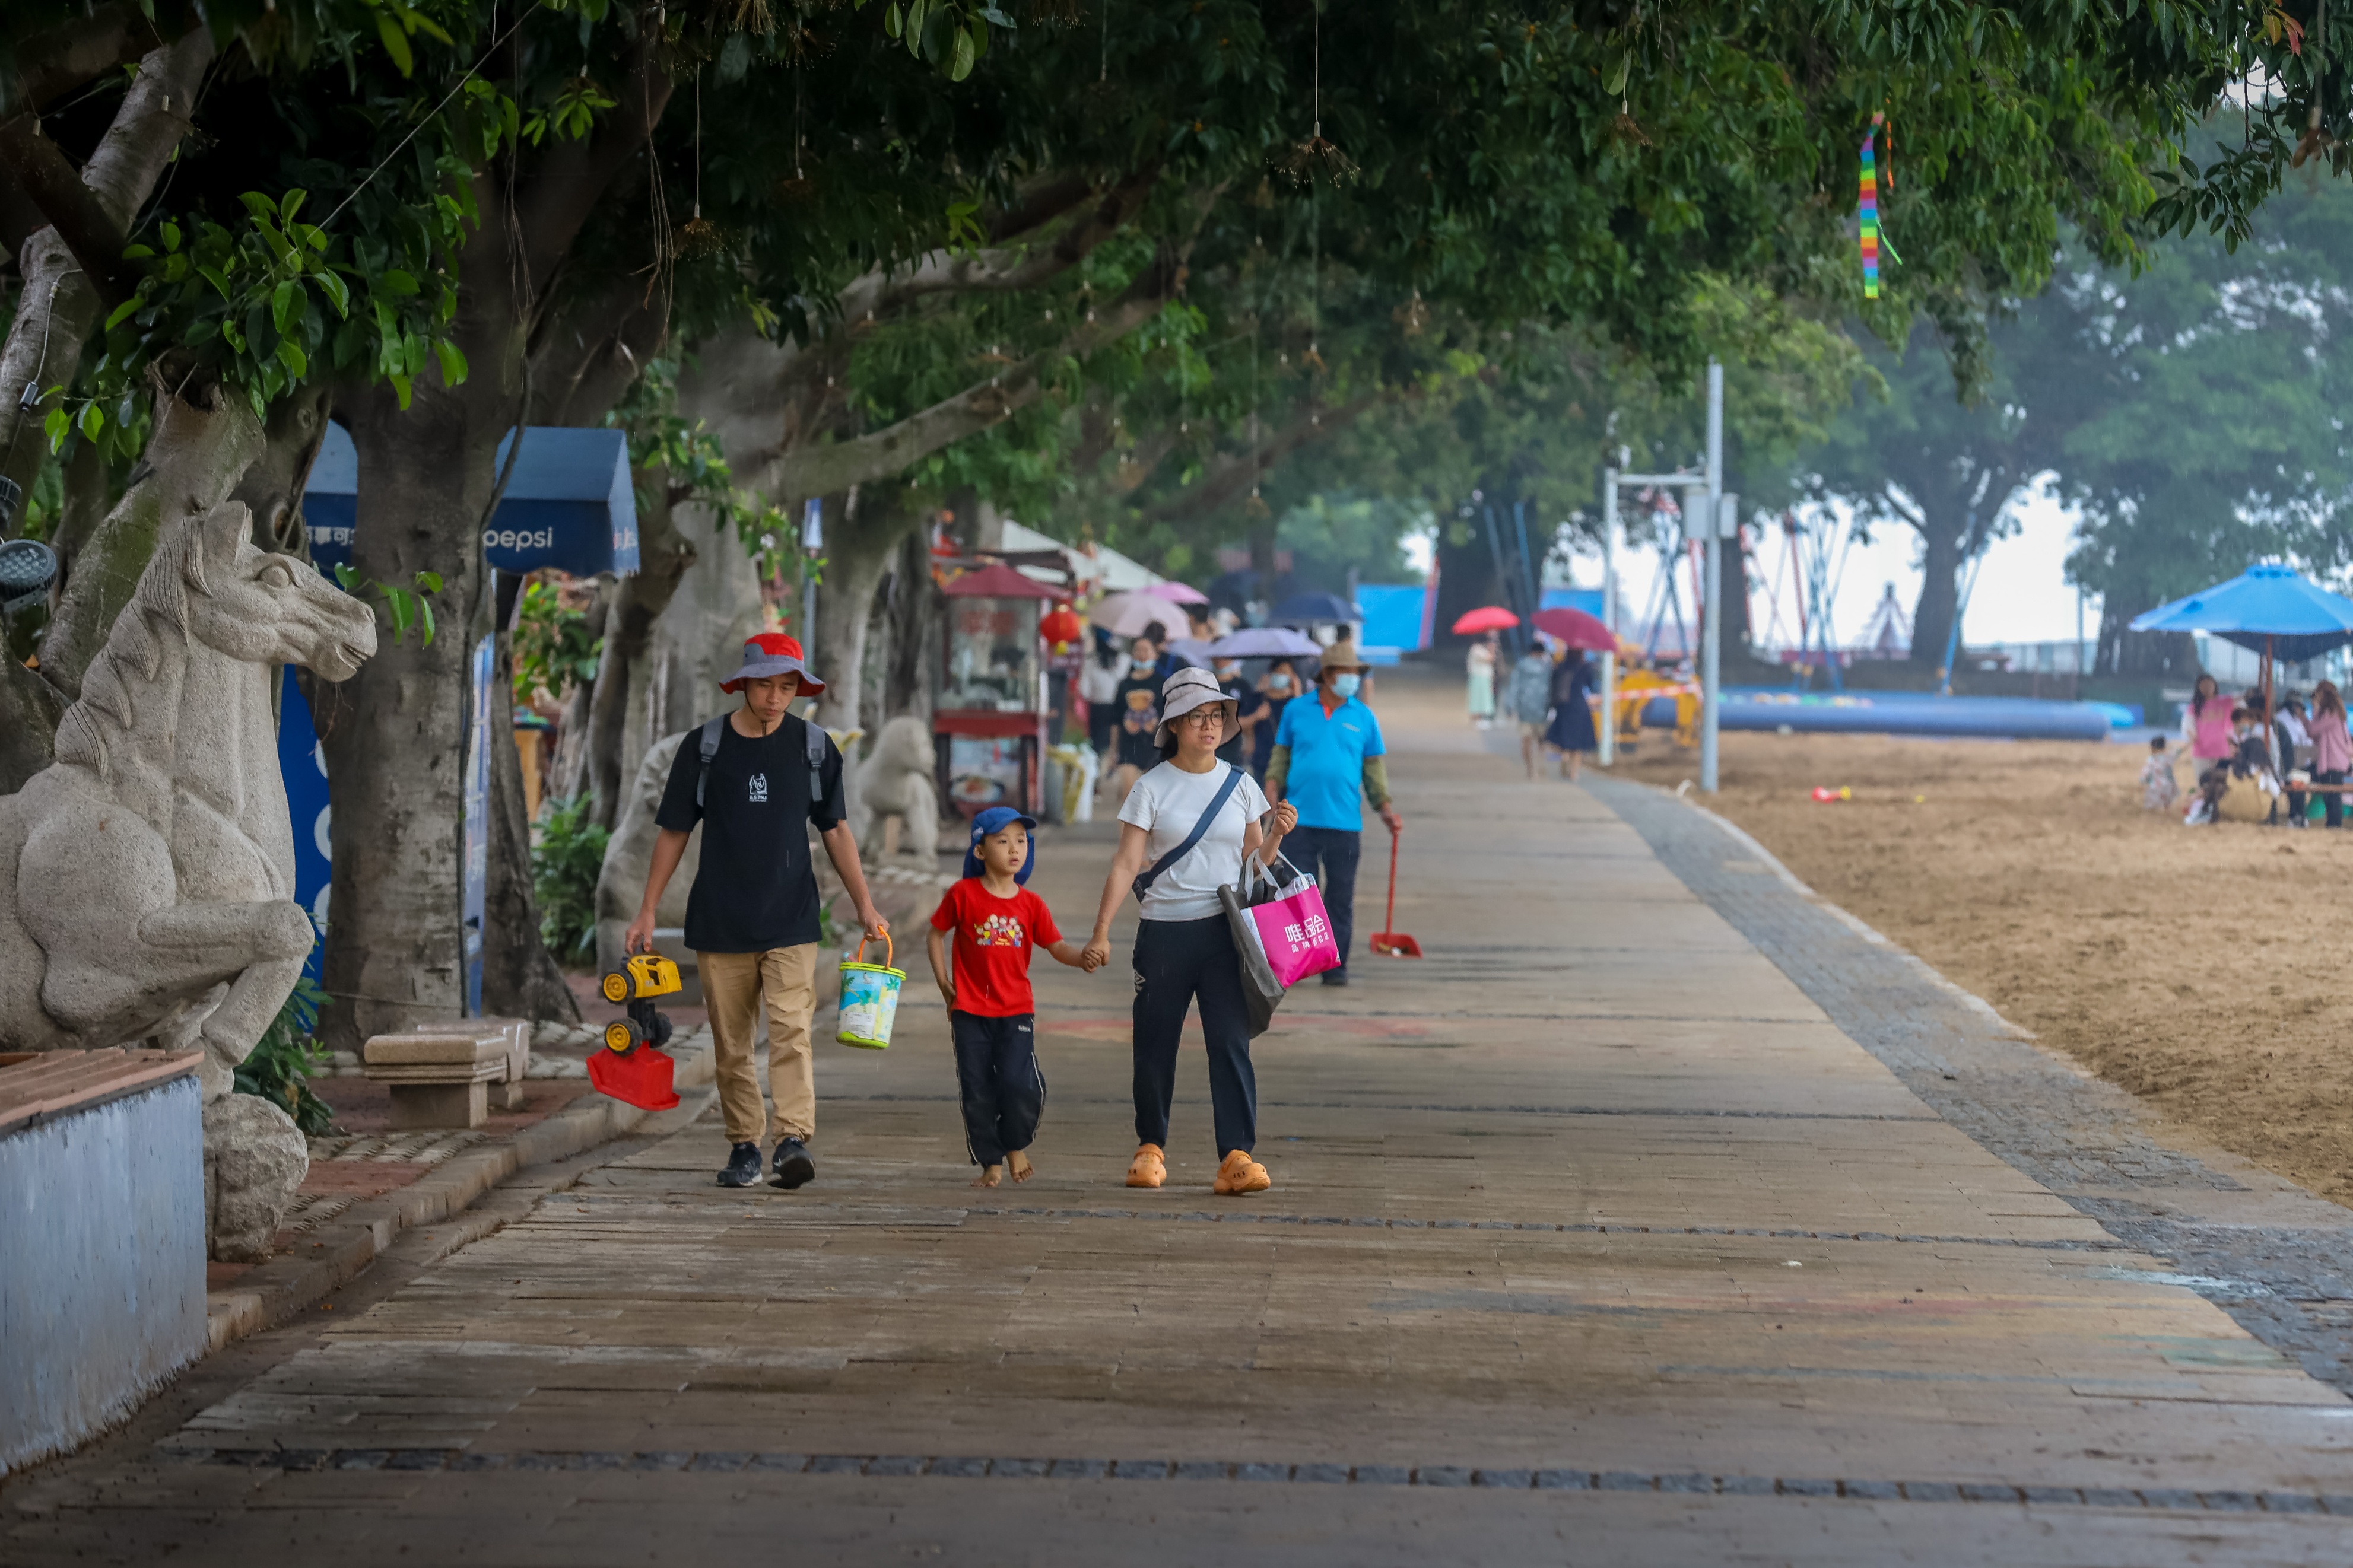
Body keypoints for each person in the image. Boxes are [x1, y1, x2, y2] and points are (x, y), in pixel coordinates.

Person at [628, 632, 888, 1191]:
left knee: (793, 1029)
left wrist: (866, 905)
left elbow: (836, 829)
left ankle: (792, 1139)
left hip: (791, 917)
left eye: (788, 686)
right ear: (743, 682)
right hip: (720, 918)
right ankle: (744, 1144)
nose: (776, 698)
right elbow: (675, 830)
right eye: (766, 685)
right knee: (732, 1040)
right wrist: (646, 910)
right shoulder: (705, 747)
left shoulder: (814, 746)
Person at [1081, 668, 1298, 1195]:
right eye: (1198, 716)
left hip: (1225, 934)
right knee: (1156, 1045)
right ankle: (1150, 1147)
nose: (1209, 725)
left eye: (1217, 715)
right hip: (1164, 933)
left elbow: (1251, 867)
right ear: (1173, 724)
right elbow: (1126, 863)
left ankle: (1235, 1156)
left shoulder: (1242, 784)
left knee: (1230, 1042)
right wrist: (1101, 931)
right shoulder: (1149, 788)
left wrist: (1273, 837)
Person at [926, 807, 1098, 1189]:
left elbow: (1056, 947)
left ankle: (1016, 1143)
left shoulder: (1030, 904)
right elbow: (935, 934)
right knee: (977, 1089)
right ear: (980, 850)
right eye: (1002, 841)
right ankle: (991, 1163)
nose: (1014, 848)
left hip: (1016, 1010)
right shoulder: (962, 895)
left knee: (1020, 1084)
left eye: (1021, 841)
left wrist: (1082, 958)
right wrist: (944, 984)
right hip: (969, 1011)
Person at [1264, 636, 1400, 987]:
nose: (1352, 679)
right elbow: (1281, 755)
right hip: (1298, 821)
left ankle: (1335, 966)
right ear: (1327, 675)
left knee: (1340, 896)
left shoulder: (1364, 717)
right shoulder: (1296, 710)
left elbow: (1373, 769)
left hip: (1345, 823)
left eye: (1355, 673)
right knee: (1297, 895)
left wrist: (1384, 808)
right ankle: (1296, 963)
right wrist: (1270, 788)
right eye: (1346, 672)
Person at [1105, 634, 1167, 807]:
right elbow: (1116, 720)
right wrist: (1113, 752)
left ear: (1155, 654)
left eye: (1146, 650)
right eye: (1138, 650)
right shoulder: (1124, 685)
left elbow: (1170, 719)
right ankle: (1125, 834)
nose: (1142, 654)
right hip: (1128, 747)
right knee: (1129, 796)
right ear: (1132, 654)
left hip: (1154, 748)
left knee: (1152, 800)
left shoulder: (1163, 684)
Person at [1544, 647, 1599, 780]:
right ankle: (1574, 773)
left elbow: (1553, 684)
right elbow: (1590, 685)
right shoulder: (1585, 667)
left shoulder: (1561, 667)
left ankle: (1565, 758)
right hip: (1580, 706)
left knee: (1565, 738)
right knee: (1578, 743)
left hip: (1563, 706)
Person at [1078, 629, 1129, 766]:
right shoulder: (1126, 661)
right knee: (1119, 747)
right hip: (1121, 709)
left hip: (1099, 710)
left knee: (1098, 749)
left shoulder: (1090, 662)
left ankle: (1099, 777)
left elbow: (1084, 691)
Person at [1245, 658, 1299, 784]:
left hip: (1287, 763)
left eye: (1284, 673)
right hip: (1261, 761)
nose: (1280, 676)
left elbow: (1305, 726)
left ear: (1292, 676)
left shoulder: (1295, 703)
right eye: (1277, 672)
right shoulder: (1258, 698)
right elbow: (1239, 723)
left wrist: (1298, 693)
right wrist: (1256, 716)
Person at [1506, 638, 1554, 780]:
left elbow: (1514, 686)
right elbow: (1552, 688)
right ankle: (1541, 764)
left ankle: (1531, 770)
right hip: (1542, 709)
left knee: (1526, 740)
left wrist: (1510, 706)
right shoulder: (1548, 668)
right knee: (1542, 740)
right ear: (1542, 653)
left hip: (1524, 709)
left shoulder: (1521, 666)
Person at [2181, 673, 2233, 786]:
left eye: (2209, 684)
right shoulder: (2194, 707)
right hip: (2201, 752)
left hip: (2222, 751)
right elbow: (2188, 725)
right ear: (2199, 688)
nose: (2207, 688)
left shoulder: (2226, 702)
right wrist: (2192, 735)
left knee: (2220, 784)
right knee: (2203, 783)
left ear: (2215, 685)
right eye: (2204, 685)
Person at [2313, 681, 2351, 827]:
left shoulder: (2330, 714)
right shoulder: (2338, 712)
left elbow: (2314, 730)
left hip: (2333, 763)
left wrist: (2315, 709)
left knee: (2332, 797)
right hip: (2337, 763)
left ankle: (2334, 825)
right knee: (2332, 796)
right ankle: (2334, 824)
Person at [2276, 695, 2313, 827]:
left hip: (2299, 763)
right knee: (2295, 784)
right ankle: (2296, 816)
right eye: (2298, 707)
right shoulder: (2281, 718)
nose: (2300, 711)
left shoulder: (2297, 721)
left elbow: (2307, 740)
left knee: (2299, 784)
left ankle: (2299, 816)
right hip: (2284, 763)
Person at [1214, 656, 1258, 768]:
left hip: (1234, 745)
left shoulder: (1242, 686)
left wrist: (1250, 739)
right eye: (1217, 657)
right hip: (1211, 742)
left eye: (1224, 657)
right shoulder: (1207, 684)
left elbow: (1246, 717)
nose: (1221, 660)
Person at [1465, 632, 1498, 728]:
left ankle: (1479, 717)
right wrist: (1492, 649)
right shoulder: (1477, 649)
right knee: (1481, 697)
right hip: (1480, 676)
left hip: (1482, 676)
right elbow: (1490, 659)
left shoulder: (1479, 649)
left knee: (1481, 696)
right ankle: (1479, 717)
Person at [2140, 734, 2179, 813]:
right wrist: (2170, 746)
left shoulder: (2152, 759)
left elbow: (2146, 772)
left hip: (2157, 785)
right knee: (2168, 799)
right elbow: (2177, 751)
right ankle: (2167, 809)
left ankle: (2151, 811)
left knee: (2151, 800)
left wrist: (2143, 780)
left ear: (2152, 748)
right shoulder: (2169, 757)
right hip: (2170, 785)